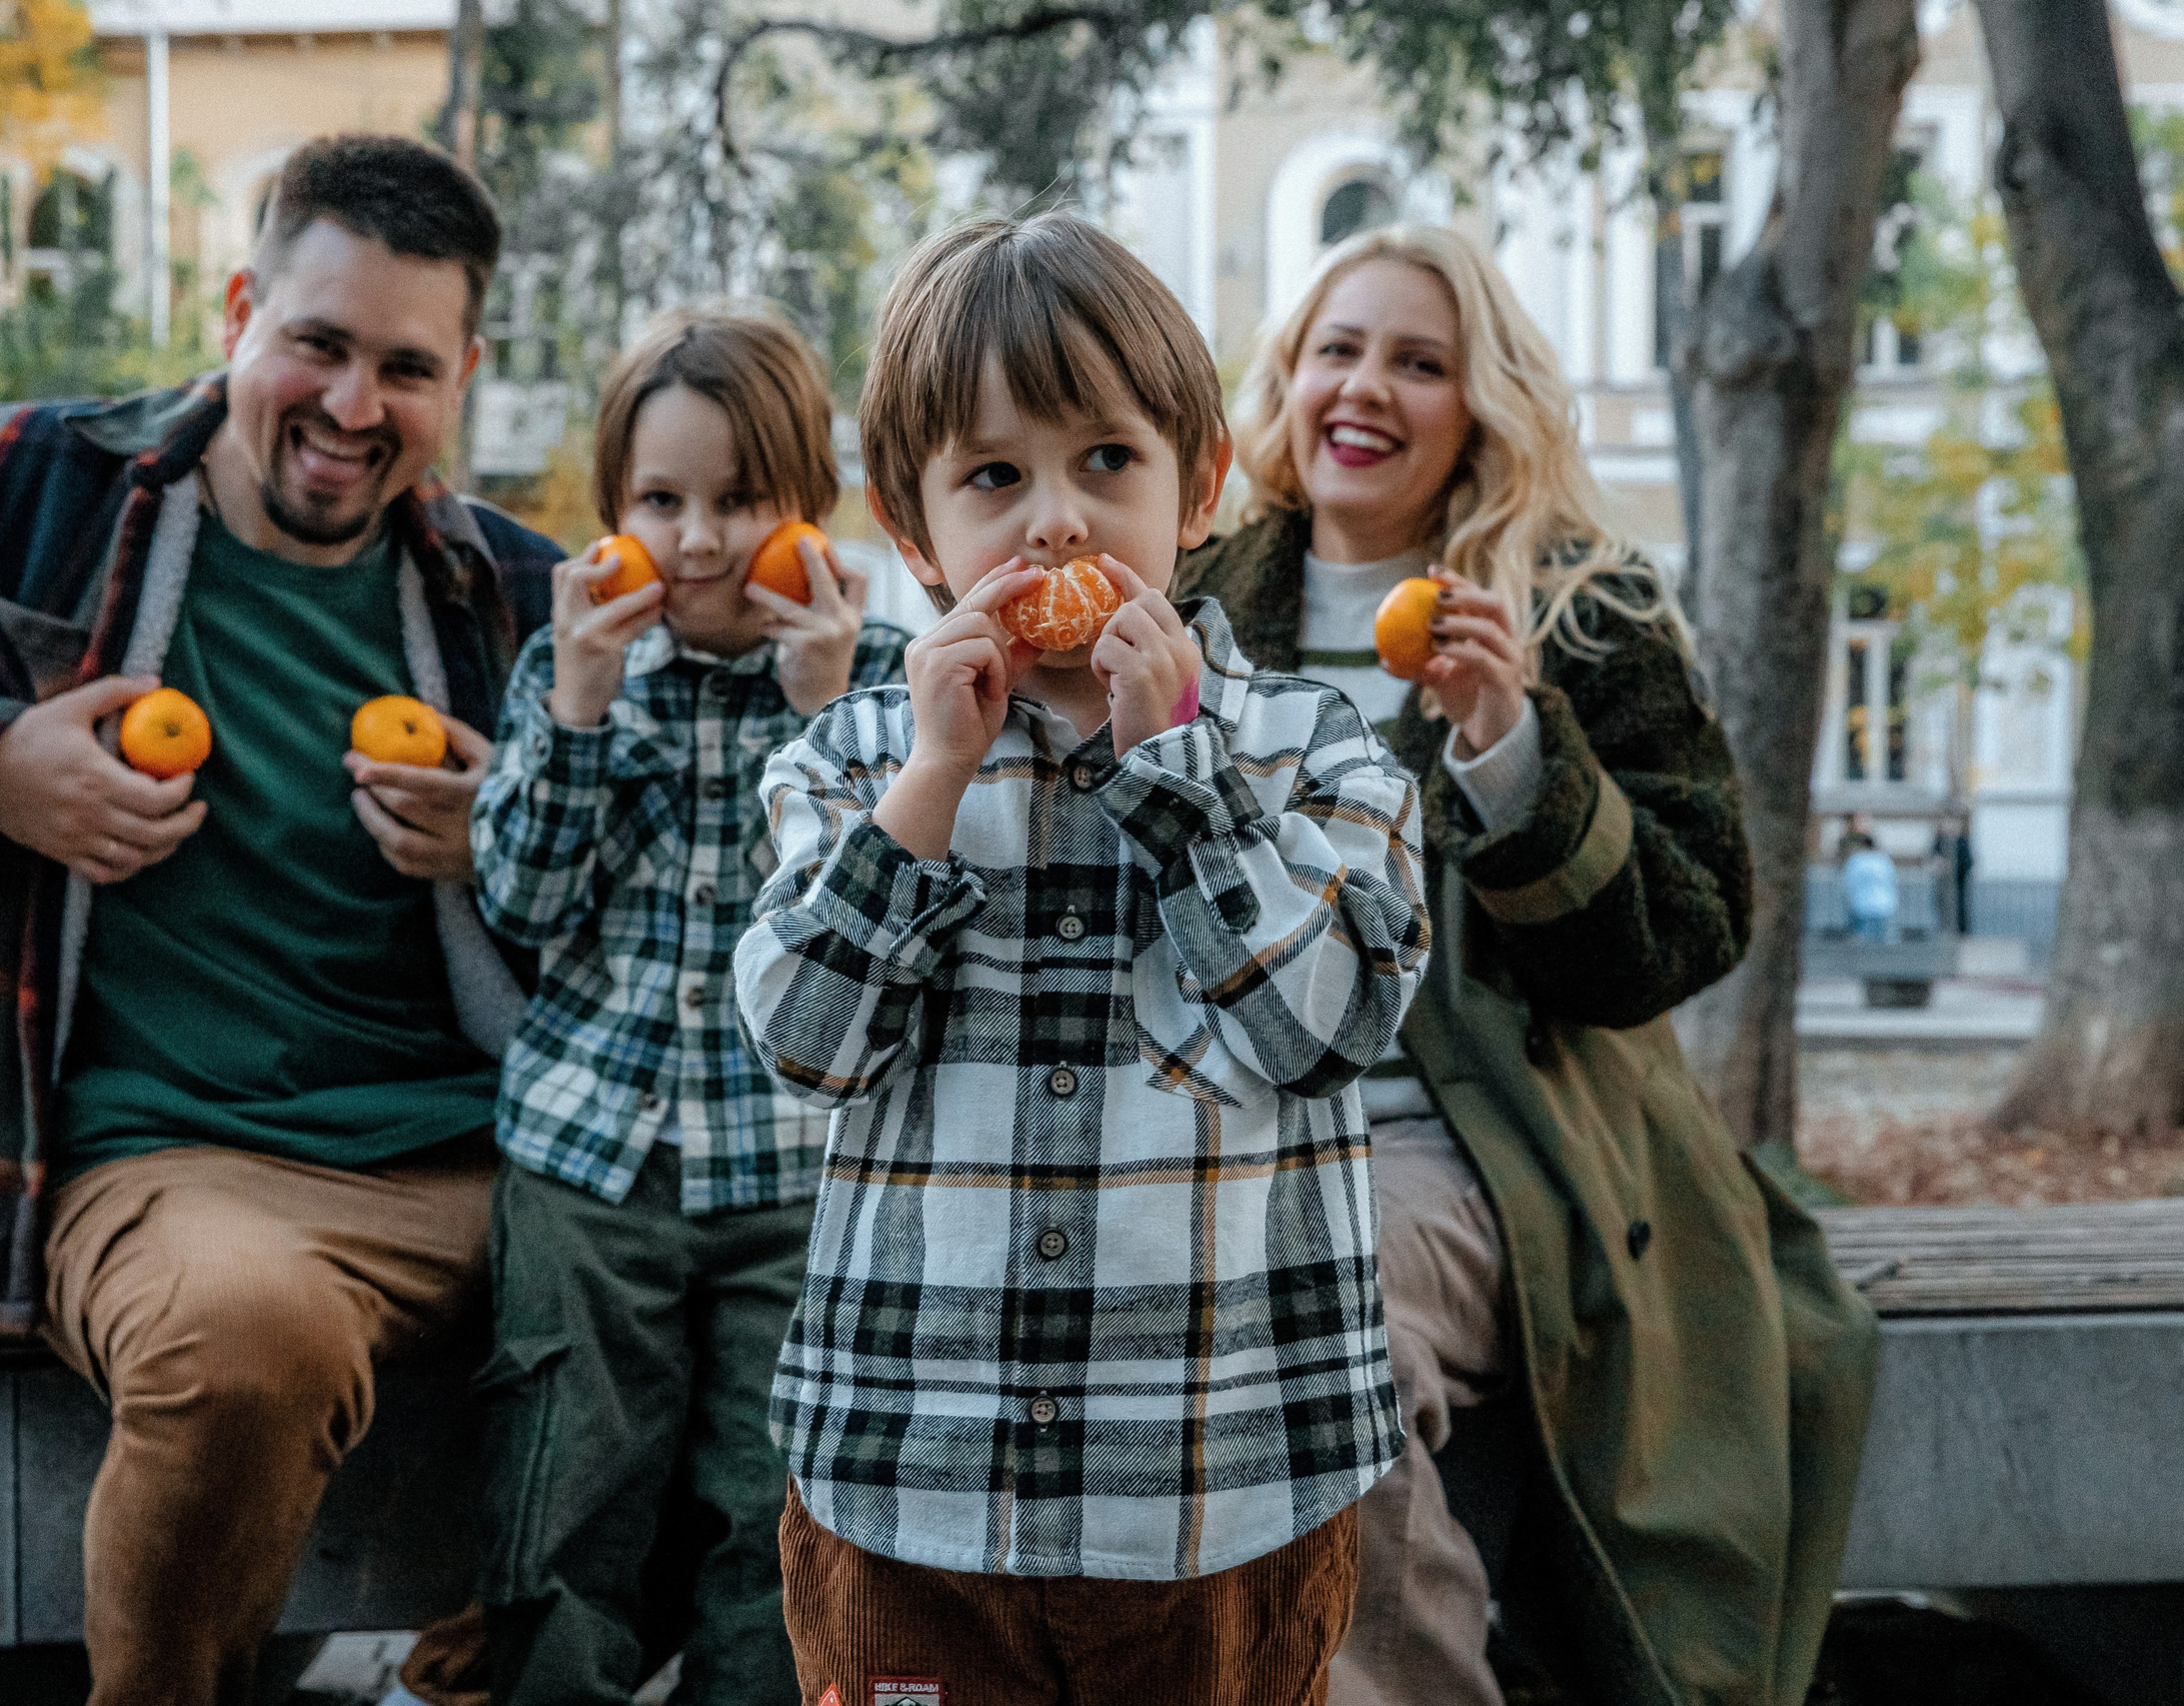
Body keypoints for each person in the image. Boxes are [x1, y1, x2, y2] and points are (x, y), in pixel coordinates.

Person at [0, 134, 562, 1705]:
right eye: (315, 343)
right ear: (241, 306)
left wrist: (511, 827)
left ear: (466, 370)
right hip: (166, 1163)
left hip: (477, 1162)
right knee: (249, 1346)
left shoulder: (511, 594)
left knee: (740, 1287)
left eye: (406, 366)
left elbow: (716, 843)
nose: (352, 408)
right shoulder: (30, 485)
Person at [733, 212, 1432, 1705]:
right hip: (911, 1487)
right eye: (995, 475)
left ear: (1201, 488)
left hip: (1218, 1489)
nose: (1056, 522)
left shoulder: (1317, 753)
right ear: (912, 534)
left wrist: (1180, 771)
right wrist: (927, 789)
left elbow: (1320, 1035)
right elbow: (802, 1039)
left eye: (1106, 461)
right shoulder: (853, 762)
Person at [1175, 224, 1878, 1706]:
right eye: (1339, 350)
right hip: (1215, 1131)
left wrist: (1511, 748)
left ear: (1478, 405)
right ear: (1289, 380)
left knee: (1316, 1317)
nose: (1368, 387)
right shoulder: (1196, 604)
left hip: (1476, 1143)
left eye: (1419, 363)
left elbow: (1688, 932)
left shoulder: (1578, 609)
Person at [467, 307, 912, 1704]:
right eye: (663, 501)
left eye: (741, 500)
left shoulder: (884, 683)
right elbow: (525, 912)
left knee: (773, 1523)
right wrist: (583, 714)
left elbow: (881, 937)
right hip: (592, 1169)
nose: (705, 541)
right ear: (613, 512)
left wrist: (818, 710)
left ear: (809, 509)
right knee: (562, 1507)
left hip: (798, 1178)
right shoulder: (575, 667)